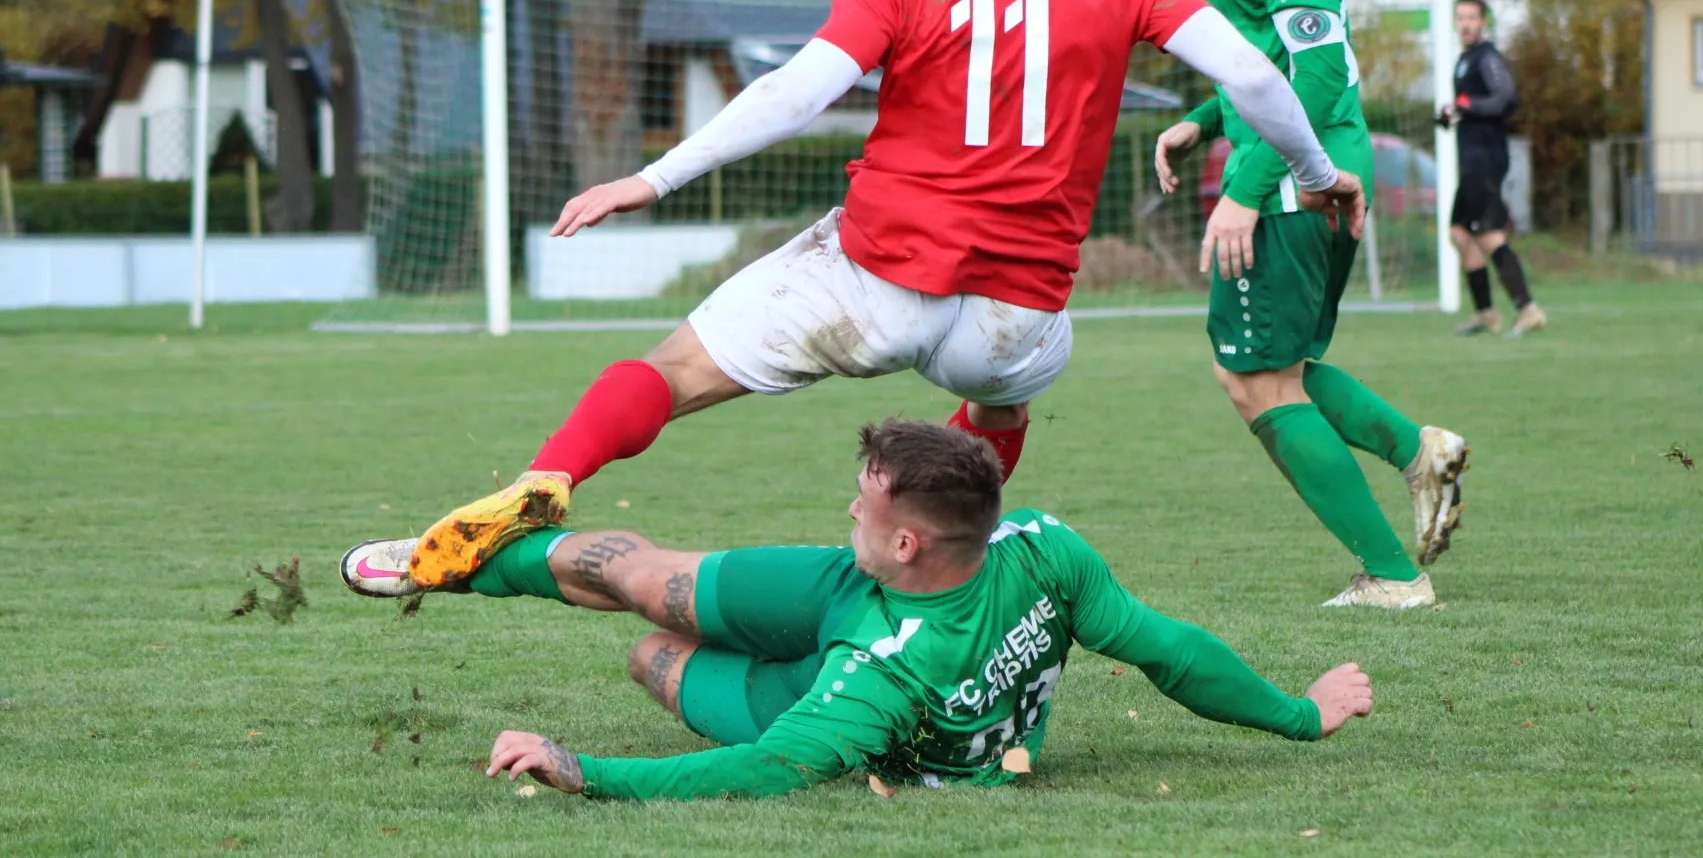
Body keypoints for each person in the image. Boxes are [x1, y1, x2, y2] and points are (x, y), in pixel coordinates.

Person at [399, 0, 1367, 592]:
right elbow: (1253, 77)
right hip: (1017, 313)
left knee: (674, 370)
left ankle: (549, 478)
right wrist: (1317, 174)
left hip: (879, 278)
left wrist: (653, 178)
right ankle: (935, 570)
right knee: (998, 411)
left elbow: (795, 95)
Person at [340, 419, 1375, 800]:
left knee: (653, 652)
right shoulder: (1042, 547)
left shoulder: (878, 681)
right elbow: (1169, 649)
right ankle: (446, 562)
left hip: (829, 669)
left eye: (864, 503)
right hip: (854, 594)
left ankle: (471, 567)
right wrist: (1302, 713)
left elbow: (763, 770)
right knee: (645, 577)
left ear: (909, 539)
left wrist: (582, 769)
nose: (848, 506)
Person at [1153, 0, 1467, 609]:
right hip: (1308, 173)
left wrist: (1246, 189)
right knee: (1277, 369)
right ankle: (1419, 451)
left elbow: (1319, 77)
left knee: (1256, 381)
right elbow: (1268, 61)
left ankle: (1394, 575)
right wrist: (1205, 119)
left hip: (1299, 180)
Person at [1442, 0, 1546, 337]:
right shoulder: (1465, 59)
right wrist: (1452, 113)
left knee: (1488, 234)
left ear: (1483, 22)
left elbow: (1506, 98)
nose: (1466, 24)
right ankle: (1486, 313)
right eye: (1461, 18)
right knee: (1460, 233)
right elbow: (1470, 104)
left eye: (1472, 18)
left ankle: (1528, 309)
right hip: (1471, 160)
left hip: (1486, 160)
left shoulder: (1487, 57)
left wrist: (1467, 105)